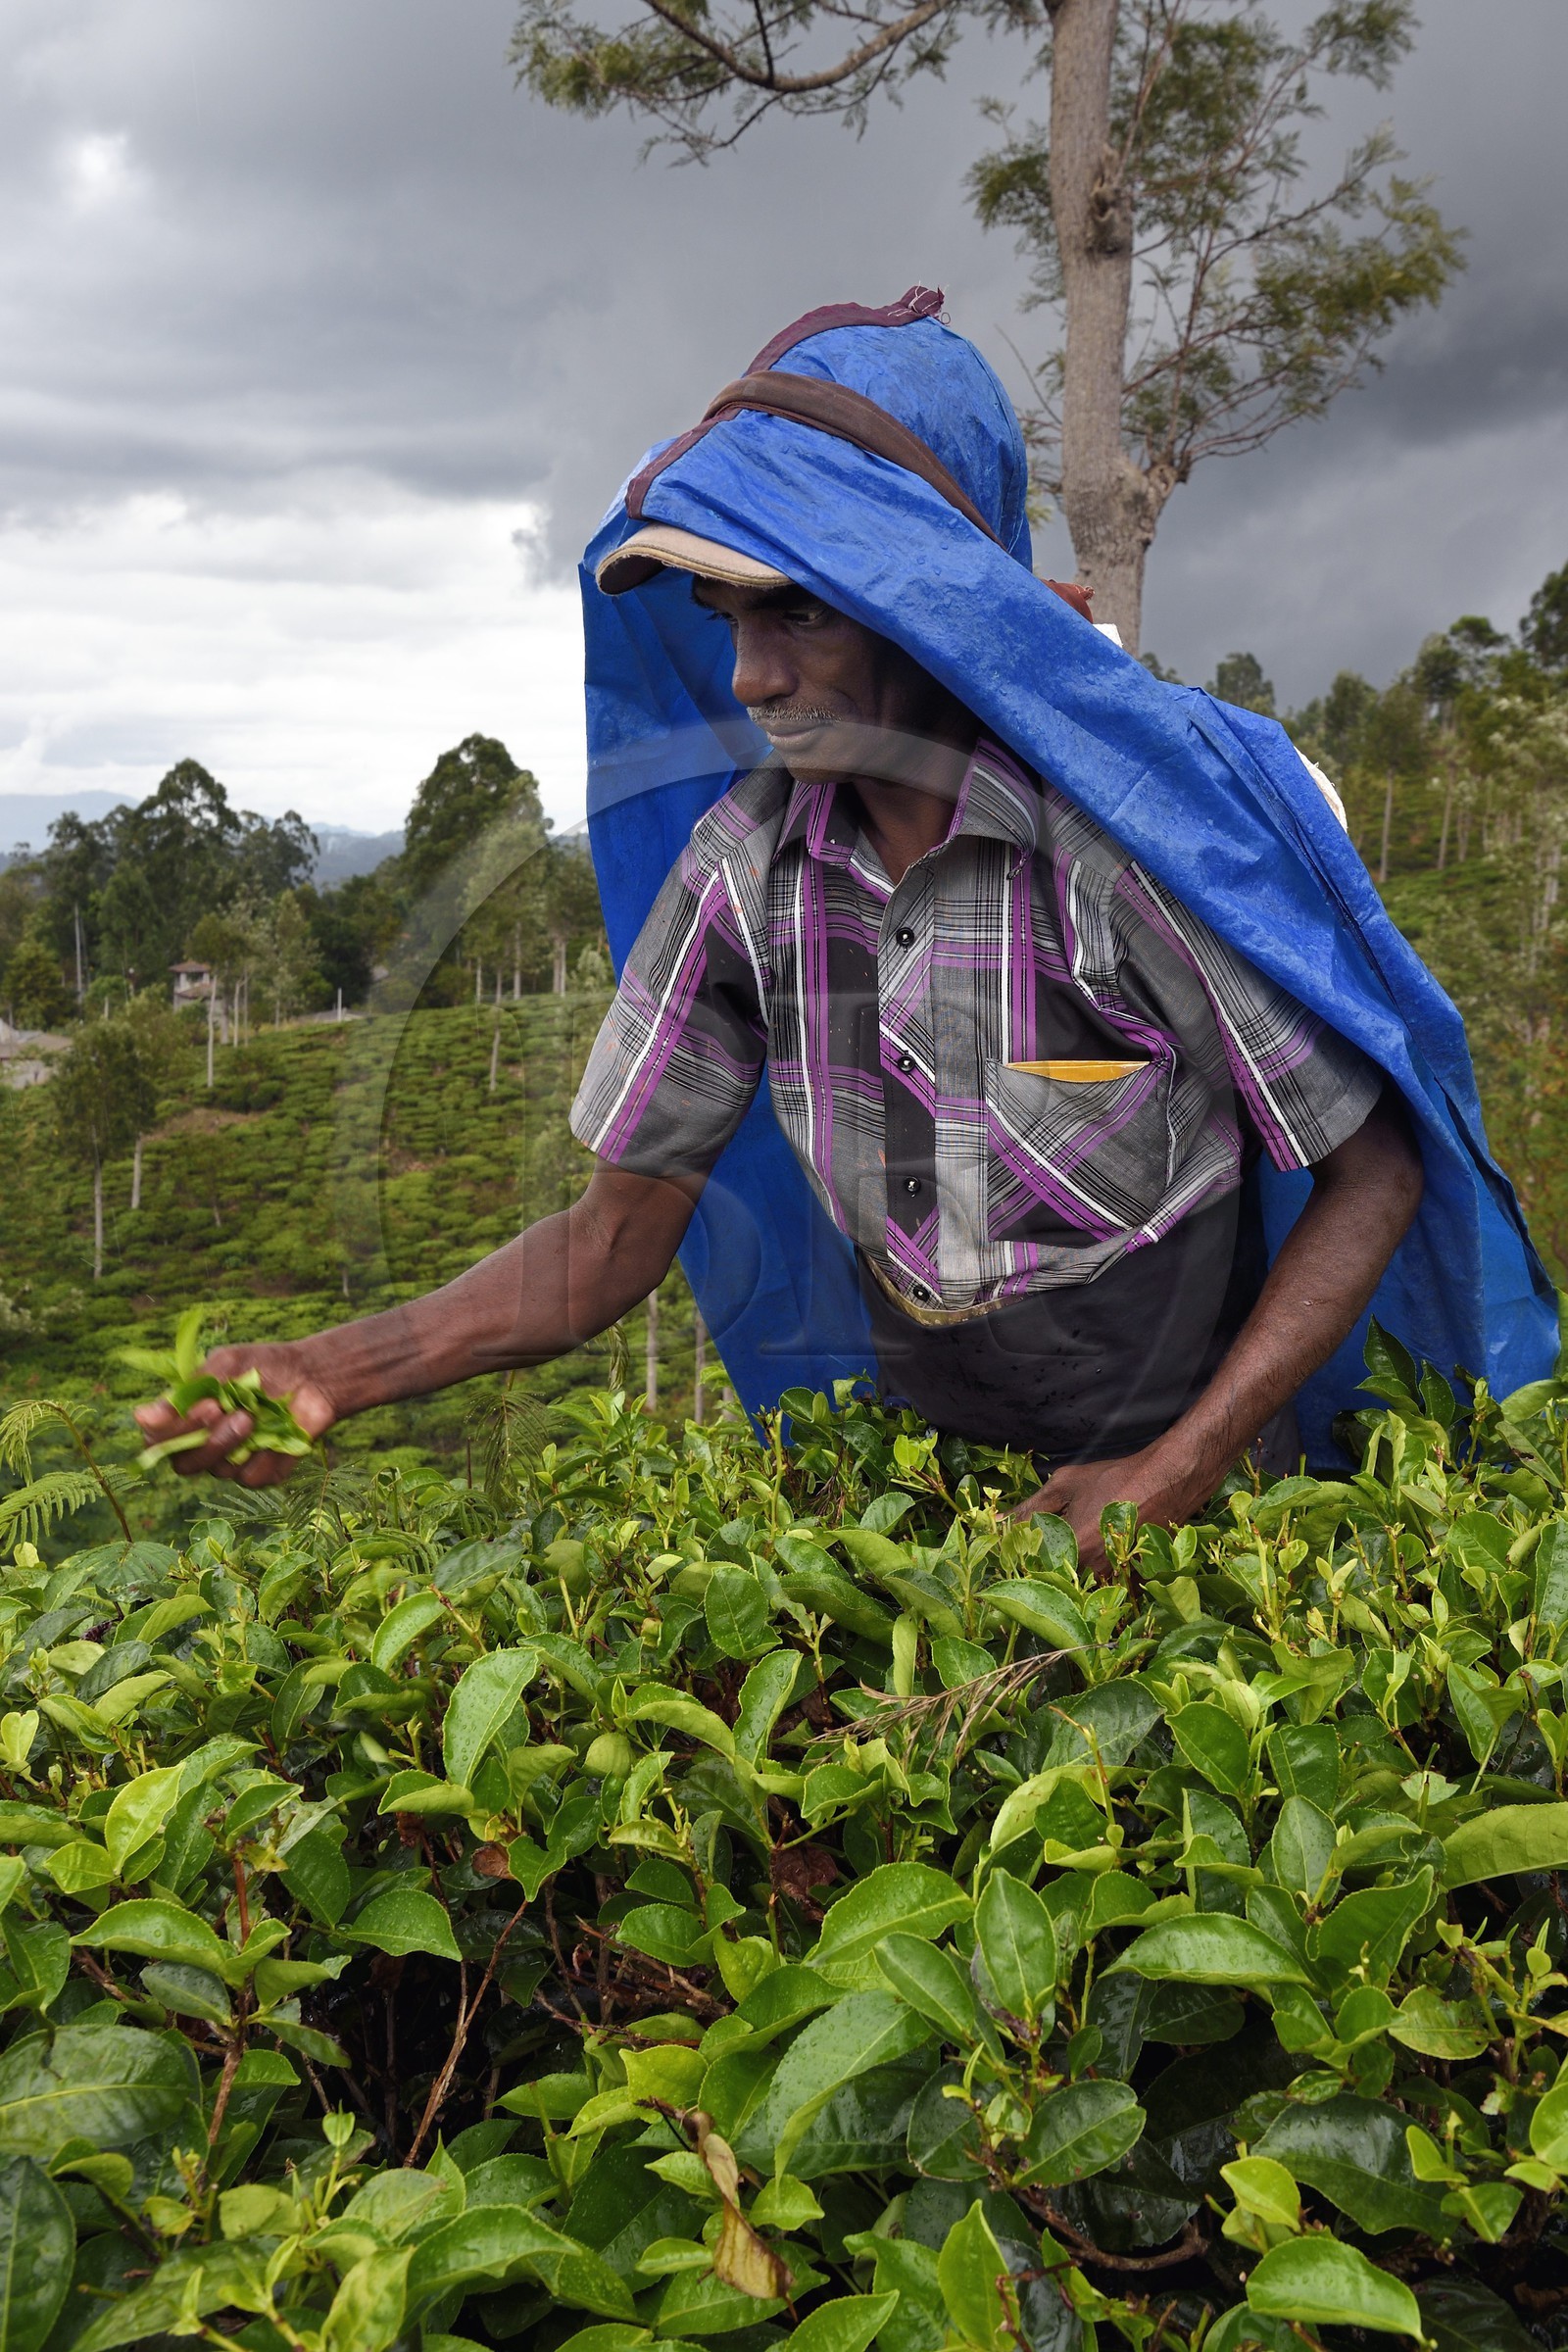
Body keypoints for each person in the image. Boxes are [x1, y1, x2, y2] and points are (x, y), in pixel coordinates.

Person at [137, 288, 1553, 1568]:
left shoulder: (1121, 848)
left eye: (802, 615)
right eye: (727, 619)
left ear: (925, 608)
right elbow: (614, 1236)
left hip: (1208, 1487)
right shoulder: (746, 876)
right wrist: (337, 1369)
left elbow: (1372, 1167)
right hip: (928, 1500)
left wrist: (1169, 1476)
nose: (752, 675)